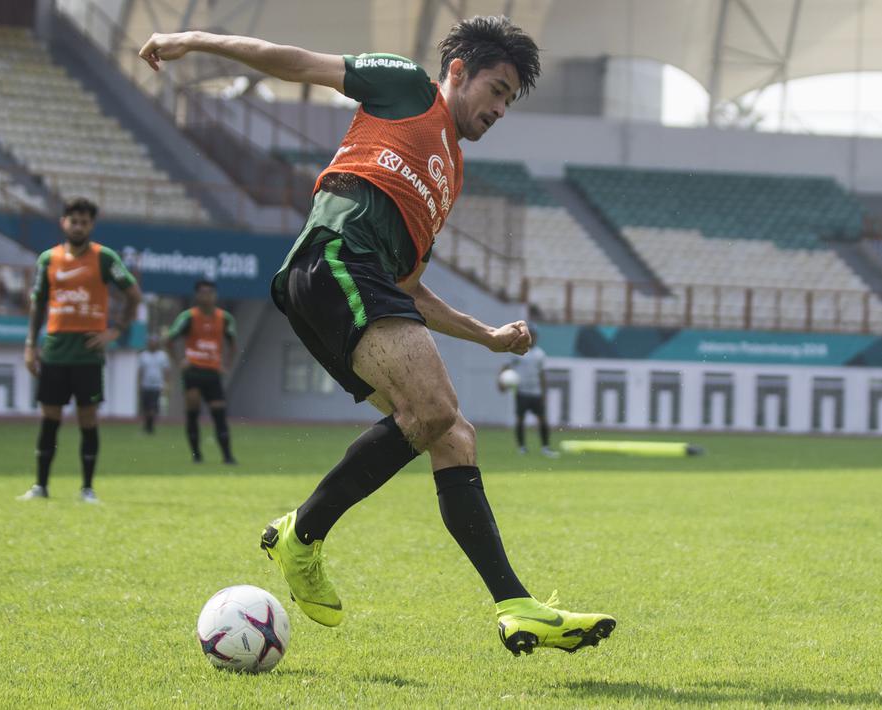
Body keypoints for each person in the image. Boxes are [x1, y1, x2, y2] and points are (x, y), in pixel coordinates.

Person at [139, 15, 615, 655]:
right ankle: (301, 533)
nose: (500, 108)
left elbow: (410, 288)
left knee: (453, 432)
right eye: (496, 89)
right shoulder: (407, 88)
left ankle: (515, 606)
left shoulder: (451, 174)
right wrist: (194, 41)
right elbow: (294, 58)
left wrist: (488, 336)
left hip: (363, 281)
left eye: (509, 99)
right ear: (457, 72)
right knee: (437, 409)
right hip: (332, 257)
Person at [19, 198, 141, 503]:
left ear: (91, 225)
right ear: (64, 223)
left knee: (88, 419)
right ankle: (40, 486)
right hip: (56, 349)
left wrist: (115, 330)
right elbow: (38, 304)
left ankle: (87, 488)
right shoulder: (48, 259)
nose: (78, 226)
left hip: (87, 352)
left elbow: (133, 294)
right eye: (73, 221)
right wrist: (30, 345)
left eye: (84, 222)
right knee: (50, 417)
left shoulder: (103, 258)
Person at [164, 280, 237, 464]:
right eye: (203, 292)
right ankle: (196, 454)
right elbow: (170, 339)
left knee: (219, 413)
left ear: (216, 295)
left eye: (211, 292)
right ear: (197, 295)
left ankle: (227, 456)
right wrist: (179, 361)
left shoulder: (224, 318)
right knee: (193, 411)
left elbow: (233, 344)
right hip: (193, 372)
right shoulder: (188, 317)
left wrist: (226, 365)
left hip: (213, 372)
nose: (207, 296)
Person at [498, 325, 558, 457]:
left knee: (542, 419)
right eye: (532, 335)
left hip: (536, 392)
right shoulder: (517, 352)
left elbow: (542, 375)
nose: (534, 338)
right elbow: (505, 367)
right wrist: (501, 382)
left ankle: (545, 447)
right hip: (522, 391)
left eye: (535, 336)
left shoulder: (540, 354)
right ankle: (522, 448)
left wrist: (544, 393)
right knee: (520, 419)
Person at [137, 335, 171, 434]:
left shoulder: (162, 355)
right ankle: (147, 426)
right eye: (150, 342)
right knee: (146, 407)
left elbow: (166, 370)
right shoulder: (143, 355)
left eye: (154, 342)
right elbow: (140, 371)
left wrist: (167, 383)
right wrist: (138, 384)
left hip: (157, 385)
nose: (152, 344)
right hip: (145, 385)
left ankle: (150, 427)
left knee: (153, 407)